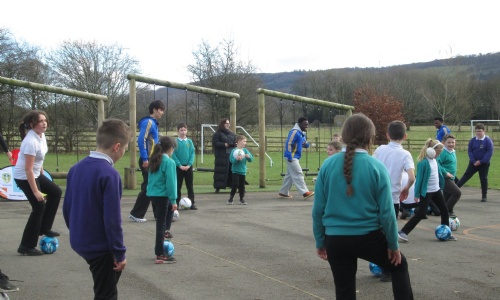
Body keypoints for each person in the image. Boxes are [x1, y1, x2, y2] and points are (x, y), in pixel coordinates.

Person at [312, 113, 413, 300]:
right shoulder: (376, 167)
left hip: (335, 239)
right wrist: (393, 244)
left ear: (343, 136)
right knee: (400, 266)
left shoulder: (327, 165)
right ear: (370, 137)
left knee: (344, 291)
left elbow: (318, 210)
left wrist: (320, 241)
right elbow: (387, 213)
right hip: (368, 238)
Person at [63, 119, 130, 299]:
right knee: (106, 294)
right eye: (125, 148)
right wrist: (119, 252)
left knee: (105, 284)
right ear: (117, 147)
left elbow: (67, 207)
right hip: (99, 247)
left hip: (80, 240)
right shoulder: (110, 174)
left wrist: (77, 231)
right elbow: (112, 220)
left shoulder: (75, 168)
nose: (124, 152)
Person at [14, 110, 62, 256]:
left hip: (35, 174)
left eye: (45, 120)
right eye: (40, 121)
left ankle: (44, 228)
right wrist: (36, 191)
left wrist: (42, 175)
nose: (44, 123)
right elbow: (28, 169)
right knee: (39, 206)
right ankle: (26, 246)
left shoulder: (41, 136)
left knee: (55, 191)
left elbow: (39, 159)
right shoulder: (30, 141)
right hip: (24, 176)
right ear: (31, 124)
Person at [398, 139, 457, 243]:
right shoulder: (423, 163)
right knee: (421, 213)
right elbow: (419, 180)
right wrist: (416, 194)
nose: (438, 155)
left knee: (444, 210)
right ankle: (403, 232)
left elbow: (439, 171)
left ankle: (446, 232)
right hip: (427, 192)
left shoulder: (434, 160)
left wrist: (446, 174)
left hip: (436, 190)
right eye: (437, 153)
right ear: (430, 151)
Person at [129, 100, 166, 223]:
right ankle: (136, 214)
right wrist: (145, 159)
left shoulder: (154, 123)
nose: (162, 113)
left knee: (152, 185)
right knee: (149, 187)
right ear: (154, 109)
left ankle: (157, 214)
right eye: (161, 110)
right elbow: (141, 140)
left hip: (152, 158)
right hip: (148, 159)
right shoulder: (149, 122)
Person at [373, 121, 415, 219]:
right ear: (405, 136)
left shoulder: (380, 149)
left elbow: (370, 168)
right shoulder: (405, 154)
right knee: (389, 231)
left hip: (376, 197)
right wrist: (406, 189)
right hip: (392, 199)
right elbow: (412, 178)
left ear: (387, 135)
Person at [146, 136, 178, 264]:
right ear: (171, 148)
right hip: (162, 195)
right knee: (161, 225)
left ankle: (165, 232)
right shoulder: (169, 162)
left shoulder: (154, 159)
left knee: (162, 221)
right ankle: (160, 254)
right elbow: (171, 183)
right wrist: (174, 200)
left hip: (153, 195)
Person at [278, 117, 314, 200]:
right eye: (305, 124)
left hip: (296, 156)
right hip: (291, 156)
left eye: (307, 124)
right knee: (298, 173)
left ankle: (283, 192)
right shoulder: (294, 132)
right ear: (299, 124)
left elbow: (304, 143)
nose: (307, 126)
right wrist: (289, 155)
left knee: (289, 176)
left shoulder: (301, 133)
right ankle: (305, 192)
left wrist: (306, 145)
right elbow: (289, 143)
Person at [457, 123, 494, 202]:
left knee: (483, 179)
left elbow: (489, 153)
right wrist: (473, 161)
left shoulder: (488, 141)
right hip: (473, 163)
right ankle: (454, 190)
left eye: (480, 131)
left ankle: (484, 195)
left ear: (484, 131)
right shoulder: (473, 140)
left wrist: (481, 161)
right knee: (466, 176)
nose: (478, 133)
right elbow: (470, 151)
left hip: (483, 163)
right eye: (477, 131)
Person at [172, 123, 196, 210]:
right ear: (178, 131)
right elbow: (173, 154)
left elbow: (192, 153)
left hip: (188, 167)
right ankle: (176, 203)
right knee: (178, 186)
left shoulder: (189, 142)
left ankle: (192, 203)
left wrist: (189, 165)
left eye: (184, 130)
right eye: (181, 130)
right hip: (179, 167)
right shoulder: (175, 142)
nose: (183, 132)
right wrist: (179, 165)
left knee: (190, 185)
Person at [437, 133, 461, 215]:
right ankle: (447, 211)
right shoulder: (443, 152)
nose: (451, 144)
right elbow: (436, 164)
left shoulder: (452, 151)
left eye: (453, 142)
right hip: (445, 178)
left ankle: (443, 211)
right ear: (443, 143)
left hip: (451, 178)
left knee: (446, 196)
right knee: (457, 193)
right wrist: (445, 173)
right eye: (449, 142)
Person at [212, 118, 237, 193]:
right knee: (220, 172)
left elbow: (235, 140)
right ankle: (218, 187)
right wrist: (224, 144)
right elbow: (215, 143)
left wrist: (235, 144)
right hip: (221, 156)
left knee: (232, 171)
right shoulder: (217, 134)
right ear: (222, 124)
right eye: (226, 123)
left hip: (231, 154)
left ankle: (234, 186)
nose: (228, 125)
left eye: (228, 123)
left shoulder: (232, 134)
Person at [227, 135, 253, 205]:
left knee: (242, 186)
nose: (245, 143)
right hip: (235, 171)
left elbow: (251, 159)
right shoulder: (234, 151)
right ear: (238, 141)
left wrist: (248, 157)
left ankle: (241, 199)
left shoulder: (245, 150)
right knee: (235, 185)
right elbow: (232, 161)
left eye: (245, 141)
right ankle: (231, 198)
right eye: (244, 141)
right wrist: (237, 159)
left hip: (243, 171)